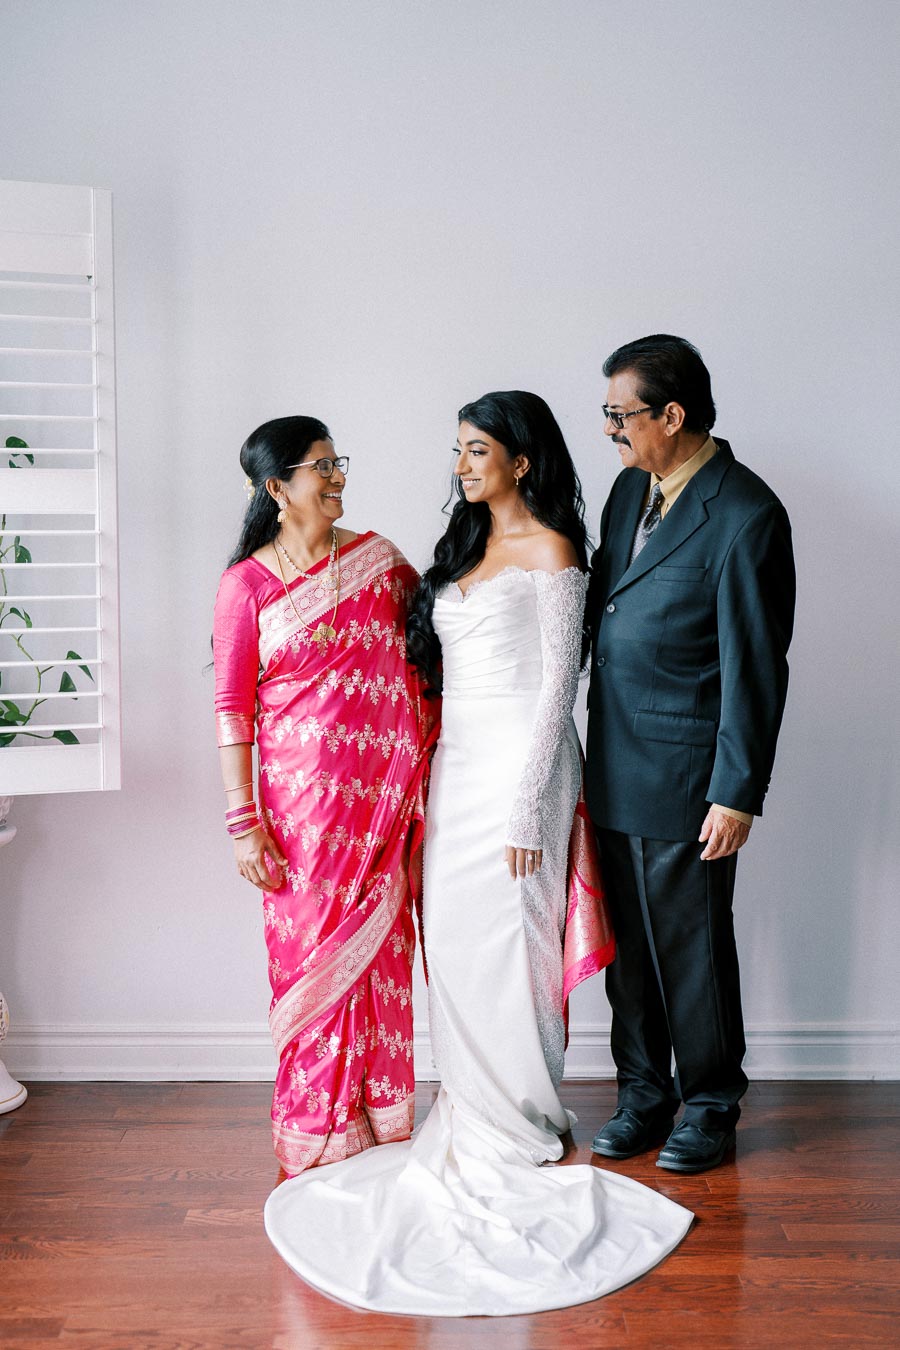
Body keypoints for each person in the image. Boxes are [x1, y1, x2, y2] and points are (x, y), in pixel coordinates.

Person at [263, 392, 691, 1317]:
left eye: (477, 450)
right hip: (453, 776)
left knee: (515, 948)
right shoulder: (455, 557)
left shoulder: (556, 554)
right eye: (456, 451)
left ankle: (523, 1119)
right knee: (454, 950)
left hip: (521, 780)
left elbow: (555, 696)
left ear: (522, 461)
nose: (460, 466)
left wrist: (531, 814)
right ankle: (465, 1106)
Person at [585, 335, 795, 1174]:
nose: (608, 430)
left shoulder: (747, 515)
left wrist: (737, 793)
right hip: (612, 766)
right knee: (629, 951)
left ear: (672, 415)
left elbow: (757, 668)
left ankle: (710, 1102)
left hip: (689, 780)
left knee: (693, 948)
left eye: (619, 414)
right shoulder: (626, 489)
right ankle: (644, 1094)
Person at [213, 416, 437, 1175]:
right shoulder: (246, 585)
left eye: (338, 462)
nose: (337, 476)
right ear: (278, 488)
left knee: (381, 965)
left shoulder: (380, 564)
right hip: (300, 826)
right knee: (311, 970)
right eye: (320, 467)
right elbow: (232, 710)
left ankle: (382, 1123)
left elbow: (435, 653)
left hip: (381, 815)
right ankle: (317, 1136)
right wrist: (246, 827)